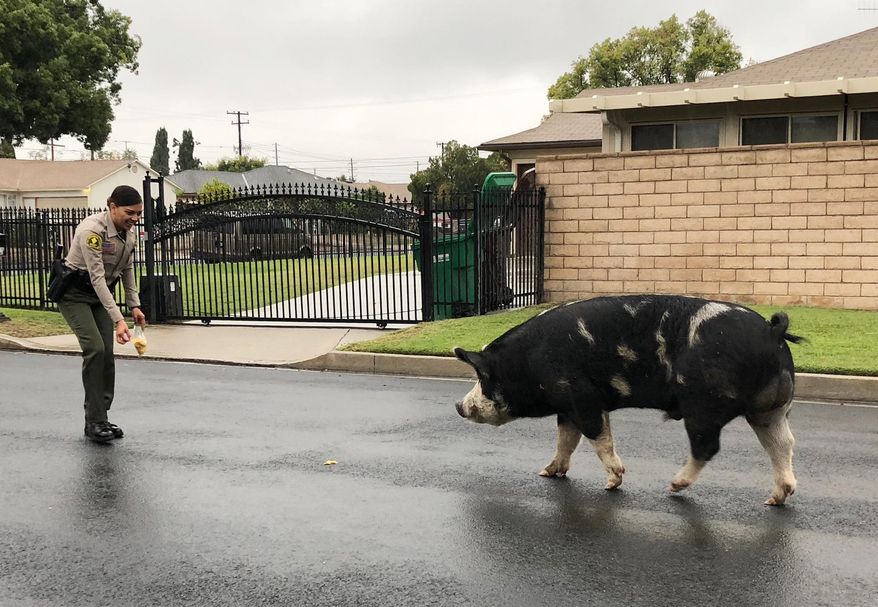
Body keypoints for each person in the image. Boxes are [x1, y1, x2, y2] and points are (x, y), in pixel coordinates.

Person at [58, 185, 146, 443]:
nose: (135, 218)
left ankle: (101, 416)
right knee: (95, 349)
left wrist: (134, 305)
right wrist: (119, 320)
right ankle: (94, 420)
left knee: (106, 353)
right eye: (130, 213)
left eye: (139, 213)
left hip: (100, 296)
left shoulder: (129, 233)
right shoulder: (92, 231)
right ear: (112, 207)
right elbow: (97, 278)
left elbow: (127, 269)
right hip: (75, 295)